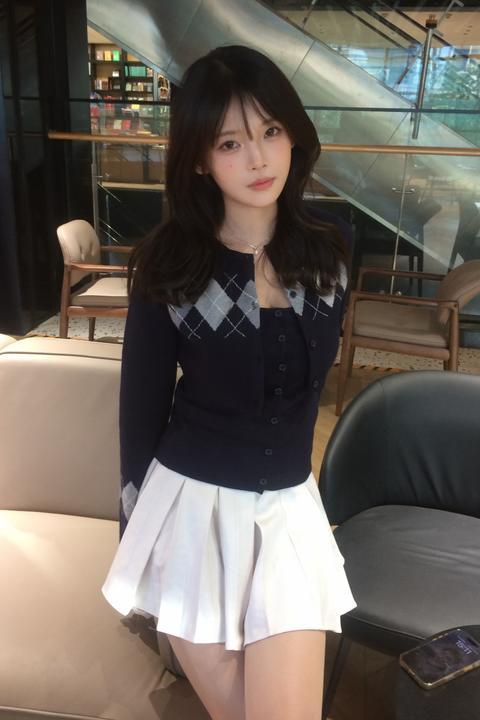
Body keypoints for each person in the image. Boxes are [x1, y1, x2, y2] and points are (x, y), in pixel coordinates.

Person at [101, 45, 356, 720]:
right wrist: (138, 543)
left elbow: (308, 390)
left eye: (271, 131)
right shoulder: (168, 264)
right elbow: (139, 414)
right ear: (199, 159)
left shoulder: (330, 247)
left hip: (287, 509)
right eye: (230, 143)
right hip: (189, 512)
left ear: (294, 133)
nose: (259, 159)